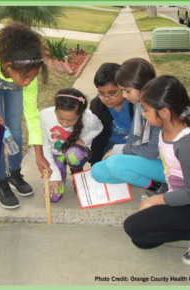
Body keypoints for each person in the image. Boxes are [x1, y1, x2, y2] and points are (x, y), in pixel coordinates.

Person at [123, 75, 190, 266]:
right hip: (183, 196)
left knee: (133, 226)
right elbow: (175, 174)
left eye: (145, 110)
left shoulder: (188, 144)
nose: (142, 114)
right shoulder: (165, 130)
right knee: (141, 239)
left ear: (164, 112)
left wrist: (156, 200)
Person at [0, 21, 51, 210]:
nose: (29, 82)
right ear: (9, 66)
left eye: (33, 77)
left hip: (13, 87)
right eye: (26, 77)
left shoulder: (27, 78)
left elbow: (31, 114)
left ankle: (14, 173)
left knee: (15, 130)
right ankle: (1, 181)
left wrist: (39, 154)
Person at [91, 58, 167, 199]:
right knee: (97, 171)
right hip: (147, 160)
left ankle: (160, 186)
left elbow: (151, 152)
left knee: (114, 163)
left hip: (168, 166)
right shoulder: (139, 105)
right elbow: (132, 140)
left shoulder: (159, 109)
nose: (125, 95)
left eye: (126, 91)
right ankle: (158, 185)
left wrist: (118, 151)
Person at [40, 88, 103, 202]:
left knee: (75, 154)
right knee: (52, 197)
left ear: (80, 114)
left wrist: (85, 139)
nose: (65, 124)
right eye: (60, 118)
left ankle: (77, 173)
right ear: (55, 109)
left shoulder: (88, 118)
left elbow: (99, 128)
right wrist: (54, 175)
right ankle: (61, 170)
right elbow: (45, 147)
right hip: (55, 155)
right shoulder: (44, 116)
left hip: (75, 152)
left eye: (72, 120)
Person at [89, 62, 134, 165]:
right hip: (113, 142)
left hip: (135, 144)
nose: (107, 98)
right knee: (104, 167)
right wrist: (95, 161)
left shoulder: (134, 103)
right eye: (101, 93)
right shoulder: (97, 105)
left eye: (112, 93)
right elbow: (98, 135)